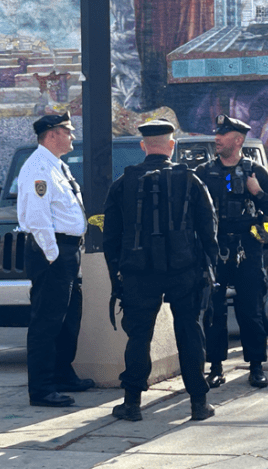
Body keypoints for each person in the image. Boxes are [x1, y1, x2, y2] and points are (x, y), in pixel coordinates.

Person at [103, 119, 220, 421]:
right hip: (184, 269)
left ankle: (131, 404)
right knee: (190, 331)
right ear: (172, 145)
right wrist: (209, 266)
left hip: (138, 272)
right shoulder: (192, 181)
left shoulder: (122, 184)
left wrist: (117, 275)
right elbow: (209, 229)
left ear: (143, 146)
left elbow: (110, 239)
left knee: (139, 335)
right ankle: (198, 402)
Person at [194, 115, 268, 389]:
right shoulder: (204, 171)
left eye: (222, 135)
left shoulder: (255, 171)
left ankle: (256, 367)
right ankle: (216, 368)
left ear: (238, 140)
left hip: (247, 248)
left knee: (250, 308)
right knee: (214, 309)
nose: (216, 139)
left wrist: (256, 193)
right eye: (217, 134)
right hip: (216, 248)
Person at [17, 111, 94, 407]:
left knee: (68, 318)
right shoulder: (39, 167)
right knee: (47, 321)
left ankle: (62, 374)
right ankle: (42, 387)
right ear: (52, 134)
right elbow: (37, 219)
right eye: (67, 131)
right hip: (53, 253)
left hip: (67, 252)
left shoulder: (57, 166)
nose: (72, 136)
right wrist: (53, 256)